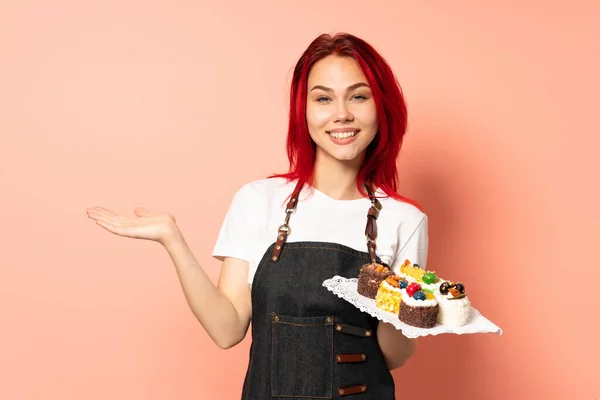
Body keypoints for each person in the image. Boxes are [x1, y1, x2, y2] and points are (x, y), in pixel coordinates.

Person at [86, 32, 428, 399]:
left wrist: (402, 303)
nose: (341, 114)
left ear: (382, 107)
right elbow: (227, 328)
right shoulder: (259, 201)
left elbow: (394, 355)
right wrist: (173, 239)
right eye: (323, 98)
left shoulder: (404, 220)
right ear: (304, 110)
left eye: (358, 96)